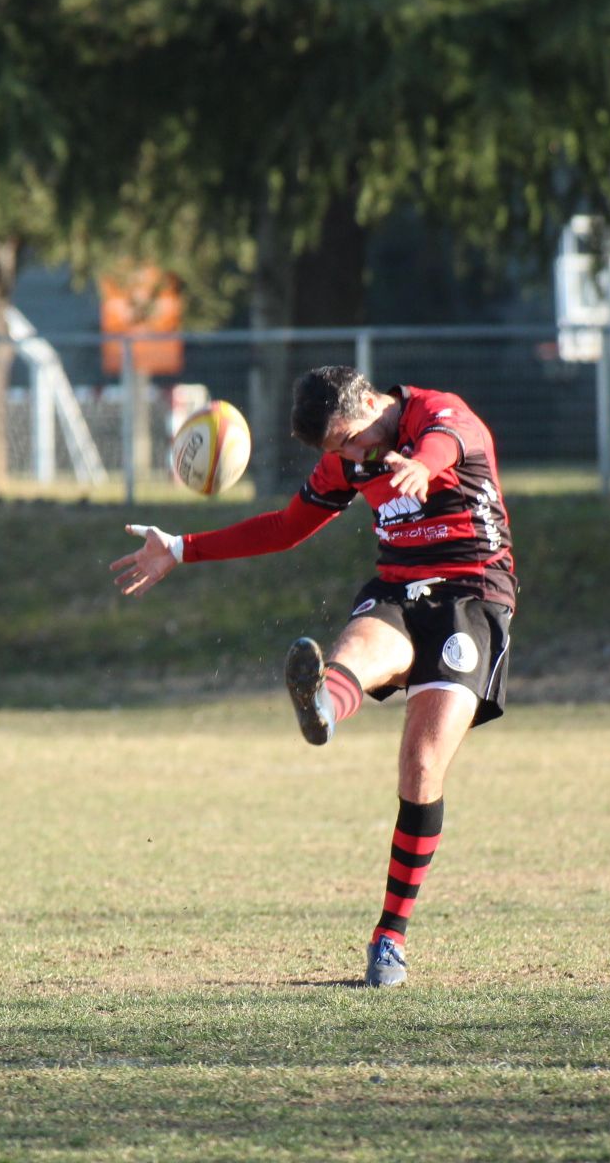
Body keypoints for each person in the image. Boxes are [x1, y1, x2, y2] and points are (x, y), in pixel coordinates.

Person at [112, 366, 515, 987]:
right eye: (339, 452)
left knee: (423, 766)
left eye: (353, 440)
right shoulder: (348, 461)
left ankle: (389, 936)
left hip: (473, 593)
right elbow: (285, 527)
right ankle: (324, 706)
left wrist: (421, 464)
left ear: (370, 402)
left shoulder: (435, 413)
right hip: (399, 590)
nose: (353, 457)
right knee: (358, 649)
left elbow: (451, 441)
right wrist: (183, 547)